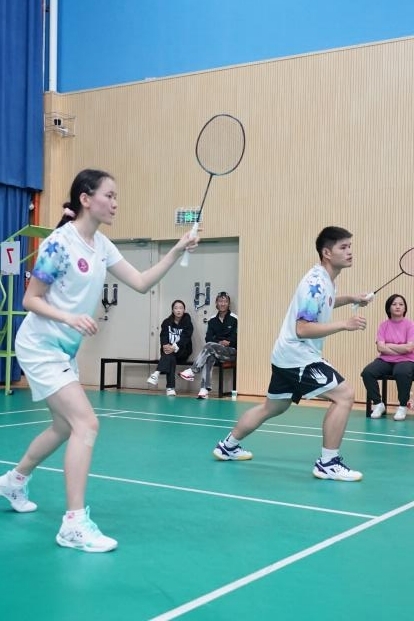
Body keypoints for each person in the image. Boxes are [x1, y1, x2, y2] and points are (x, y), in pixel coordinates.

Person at [0, 169, 198, 552]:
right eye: (109, 195)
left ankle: (14, 481)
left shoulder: (102, 245)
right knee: (86, 424)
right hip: (41, 345)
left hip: (62, 351)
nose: (115, 203)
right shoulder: (59, 243)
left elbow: (141, 282)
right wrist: (70, 317)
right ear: (85, 199)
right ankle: (73, 524)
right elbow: (30, 299)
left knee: (63, 427)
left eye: (116, 196)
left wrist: (177, 249)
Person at [212, 226, 371, 482]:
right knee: (344, 395)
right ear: (326, 252)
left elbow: (326, 301)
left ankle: (227, 446)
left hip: (286, 354)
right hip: (298, 355)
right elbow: (302, 328)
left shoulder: (326, 279)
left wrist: (352, 298)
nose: (350, 252)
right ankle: (328, 463)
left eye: (350, 246)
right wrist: (345, 324)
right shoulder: (315, 283)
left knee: (273, 406)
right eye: (343, 247)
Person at [361, 294, 414, 421]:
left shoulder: (410, 325)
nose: (398, 307)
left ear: (405, 308)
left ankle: (402, 406)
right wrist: (399, 349)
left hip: (406, 360)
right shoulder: (383, 325)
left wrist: (389, 345)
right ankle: (378, 404)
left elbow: (409, 348)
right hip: (385, 360)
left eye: (401, 304)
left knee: (401, 372)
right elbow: (380, 347)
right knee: (367, 372)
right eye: (394, 304)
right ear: (389, 308)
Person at [179, 292, 237, 399]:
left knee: (210, 347)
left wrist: (228, 342)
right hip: (215, 349)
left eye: (225, 301)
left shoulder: (235, 319)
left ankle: (192, 370)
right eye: (220, 301)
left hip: (231, 352)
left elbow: (236, 337)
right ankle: (204, 389)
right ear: (216, 303)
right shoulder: (212, 320)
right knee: (209, 356)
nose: (223, 304)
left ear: (228, 303)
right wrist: (219, 343)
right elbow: (208, 338)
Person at [147, 299, 193, 396]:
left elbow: (185, 339)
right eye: (176, 308)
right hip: (168, 352)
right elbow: (163, 336)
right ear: (172, 310)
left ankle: (157, 373)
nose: (178, 310)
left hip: (182, 352)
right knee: (170, 357)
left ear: (184, 310)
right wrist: (165, 345)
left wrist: (174, 347)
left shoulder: (188, 323)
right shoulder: (166, 322)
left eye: (181, 308)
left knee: (170, 355)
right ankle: (170, 388)